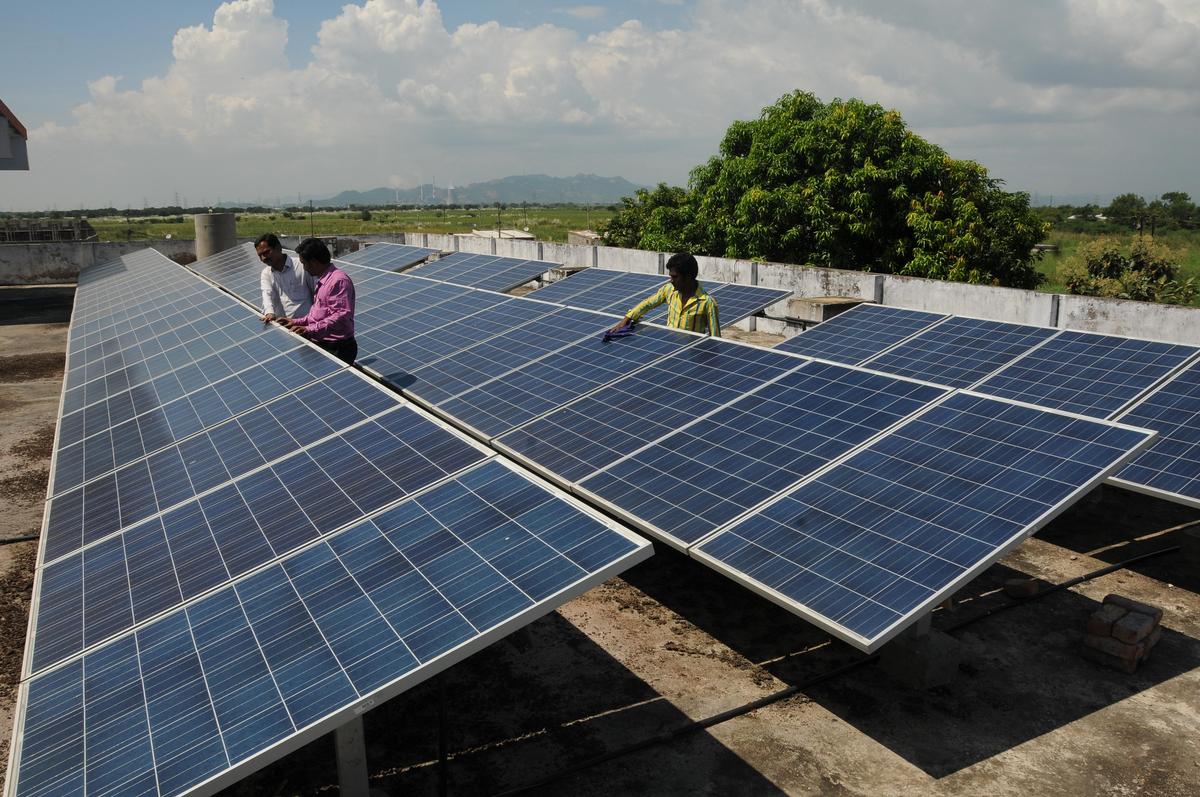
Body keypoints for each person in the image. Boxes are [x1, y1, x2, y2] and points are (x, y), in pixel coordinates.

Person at [279, 238, 358, 364]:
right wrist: (294, 321)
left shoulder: (338, 281)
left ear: (314, 262)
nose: (304, 268)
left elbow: (341, 316)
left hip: (338, 348)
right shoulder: (322, 280)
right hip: (325, 345)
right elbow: (316, 315)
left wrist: (310, 330)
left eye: (304, 263)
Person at [608, 252, 721, 336]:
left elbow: (715, 338)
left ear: (688, 276)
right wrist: (626, 319)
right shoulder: (669, 290)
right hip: (670, 349)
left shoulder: (707, 303)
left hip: (691, 356)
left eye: (675, 277)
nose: (671, 280)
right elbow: (647, 304)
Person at [255, 233, 313, 322]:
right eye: (260, 255)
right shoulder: (266, 273)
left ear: (278, 248)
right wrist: (269, 313)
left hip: (305, 325)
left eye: (266, 252)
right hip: (284, 326)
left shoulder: (301, 265)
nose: (263, 258)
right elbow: (267, 294)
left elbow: (316, 293)